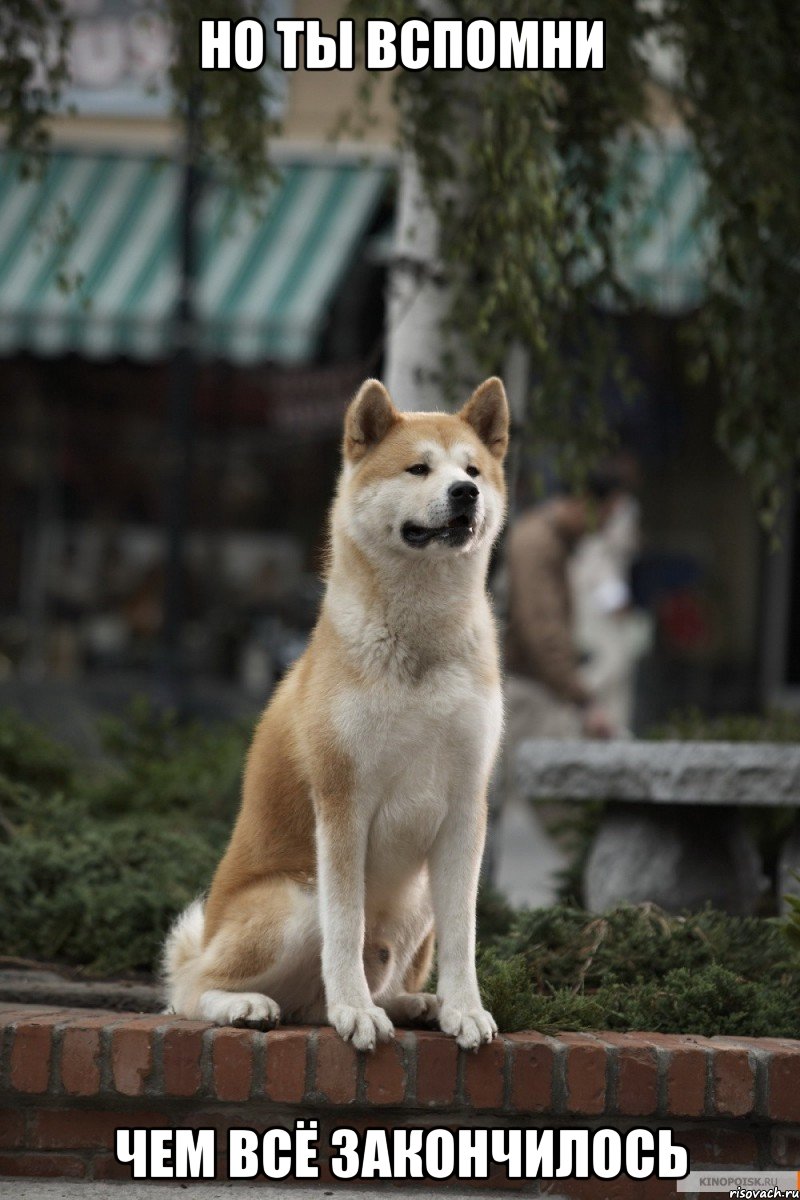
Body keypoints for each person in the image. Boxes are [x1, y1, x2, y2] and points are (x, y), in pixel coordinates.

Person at [504, 470, 627, 743]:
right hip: (527, 691)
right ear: (586, 502)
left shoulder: (551, 541)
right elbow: (542, 630)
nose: (605, 527)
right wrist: (583, 701)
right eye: (606, 515)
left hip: (537, 687)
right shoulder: (538, 544)